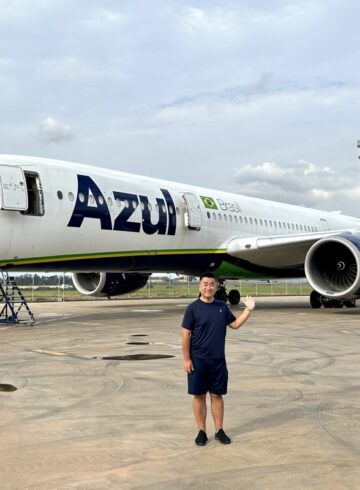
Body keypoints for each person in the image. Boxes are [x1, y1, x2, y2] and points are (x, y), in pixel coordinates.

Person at [181, 272, 255, 446]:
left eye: (212, 284)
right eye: (205, 284)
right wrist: (186, 359)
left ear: (216, 287)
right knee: (199, 396)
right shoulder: (192, 308)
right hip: (198, 360)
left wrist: (248, 310)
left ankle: (219, 430)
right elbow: (185, 334)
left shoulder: (221, 307)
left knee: (217, 395)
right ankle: (201, 431)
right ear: (200, 286)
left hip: (218, 361)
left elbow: (235, 324)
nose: (208, 287)